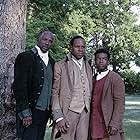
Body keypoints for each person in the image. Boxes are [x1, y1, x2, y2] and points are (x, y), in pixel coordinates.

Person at [13, 29, 55, 140]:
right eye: (45, 39)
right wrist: (25, 112)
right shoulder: (26, 57)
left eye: (50, 41)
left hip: (44, 113)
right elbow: (19, 86)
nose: (47, 43)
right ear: (38, 39)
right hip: (30, 111)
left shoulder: (52, 62)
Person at [51, 35, 93, 140]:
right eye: (77, 46)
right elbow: (54, 92)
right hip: (68, 112)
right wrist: (59, 117)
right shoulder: (60, 65)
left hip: (85, 112)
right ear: (71, 47)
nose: (80, 49)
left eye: (83, 47)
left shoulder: (88, 65)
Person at [90, 48, 125, 140]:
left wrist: (115, 123)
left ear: (108, 61)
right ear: (95, 61)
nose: (101, 61)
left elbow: (120, 104)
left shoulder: (115, 78)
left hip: (107, 124)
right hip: (93, 124)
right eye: (98, 59)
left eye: (104, 59)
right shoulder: (93, 79)